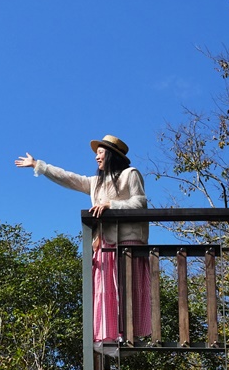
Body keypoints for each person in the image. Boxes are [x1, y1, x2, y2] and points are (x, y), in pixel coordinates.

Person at [15, 135, 151, 348]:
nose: (97, 157)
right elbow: (69, 178)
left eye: (100, 152)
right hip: (104, 244)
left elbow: (139, 201)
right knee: (105, 291)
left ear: (112, 155)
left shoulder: (129, 174)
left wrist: (110, 204)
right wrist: (38, 165)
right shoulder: (95, 182)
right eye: (96, 153)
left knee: (128, 288)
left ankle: (132, 335)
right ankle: (110, 337)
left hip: (128, 242)